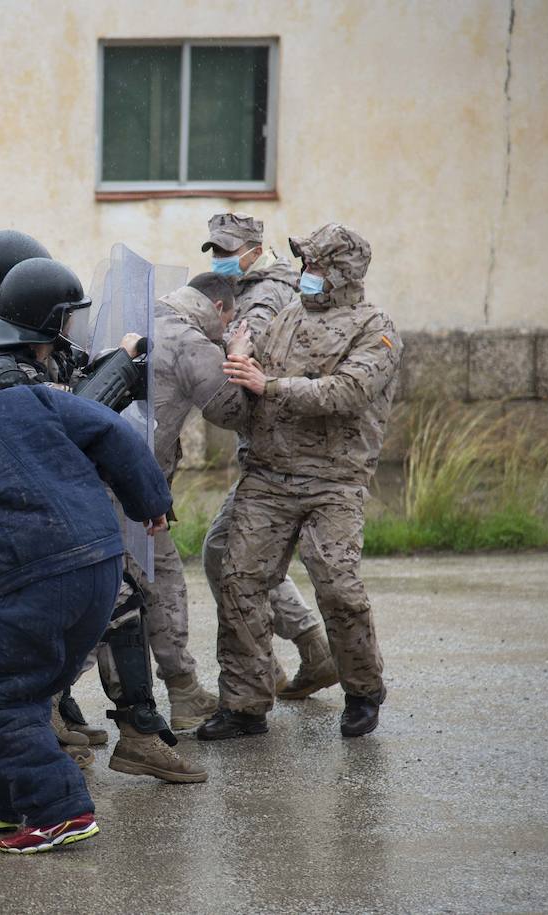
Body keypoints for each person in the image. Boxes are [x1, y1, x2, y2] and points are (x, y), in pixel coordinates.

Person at [0, 351, 173, 853]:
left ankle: (59, 809)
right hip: (102, 566)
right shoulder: (32, 399)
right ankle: (2, 801)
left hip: (31, 584)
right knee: (20, 685)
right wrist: (149, 500)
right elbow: (111, 430)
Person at [0, 257, 206, 784]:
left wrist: (127, 366)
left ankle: (136, 733)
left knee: (122, 604)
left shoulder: (52, 357)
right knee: (7, 641)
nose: (76, 327)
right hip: (13, 530)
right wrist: (120, 367)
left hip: (64, 520)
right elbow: (67, 422)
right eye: (69, 316)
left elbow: (100, 423)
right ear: (45, 318)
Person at [205, 223, 401, 741]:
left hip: (333, 482)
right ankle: (244, 705)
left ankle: (363, 690)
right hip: (268, 476)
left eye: (315, 265)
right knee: (241, 581)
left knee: (337, 585)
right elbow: (252, 374)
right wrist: (238, 354)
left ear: (342, 271)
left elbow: (347, 392)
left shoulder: (375, 327)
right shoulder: (287, 317)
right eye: (306, 264)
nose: (306, 273)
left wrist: (269, 385)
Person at [199, 212, 338, 700]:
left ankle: (278, 663)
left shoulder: (264, 295)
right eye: (215, 251)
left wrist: (198, 337)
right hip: (275, 447)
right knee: (236, 554)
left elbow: (243, 351)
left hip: (278, 452)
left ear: (256, 251)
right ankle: (309, 651)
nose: (220, 259)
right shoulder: (265, 286)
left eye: (228, 251)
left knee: (227, 553)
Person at [144, 271, 246, 729]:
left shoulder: (144, 313)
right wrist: (237, 356)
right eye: (229, 321)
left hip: (130, 483)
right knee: (120, 600)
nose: (227, 329)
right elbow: (231, 410)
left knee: (156, 582)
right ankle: (43, 711)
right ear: (218, 308)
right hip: (128, 491)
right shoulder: (191, 341)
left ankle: (183, 692)